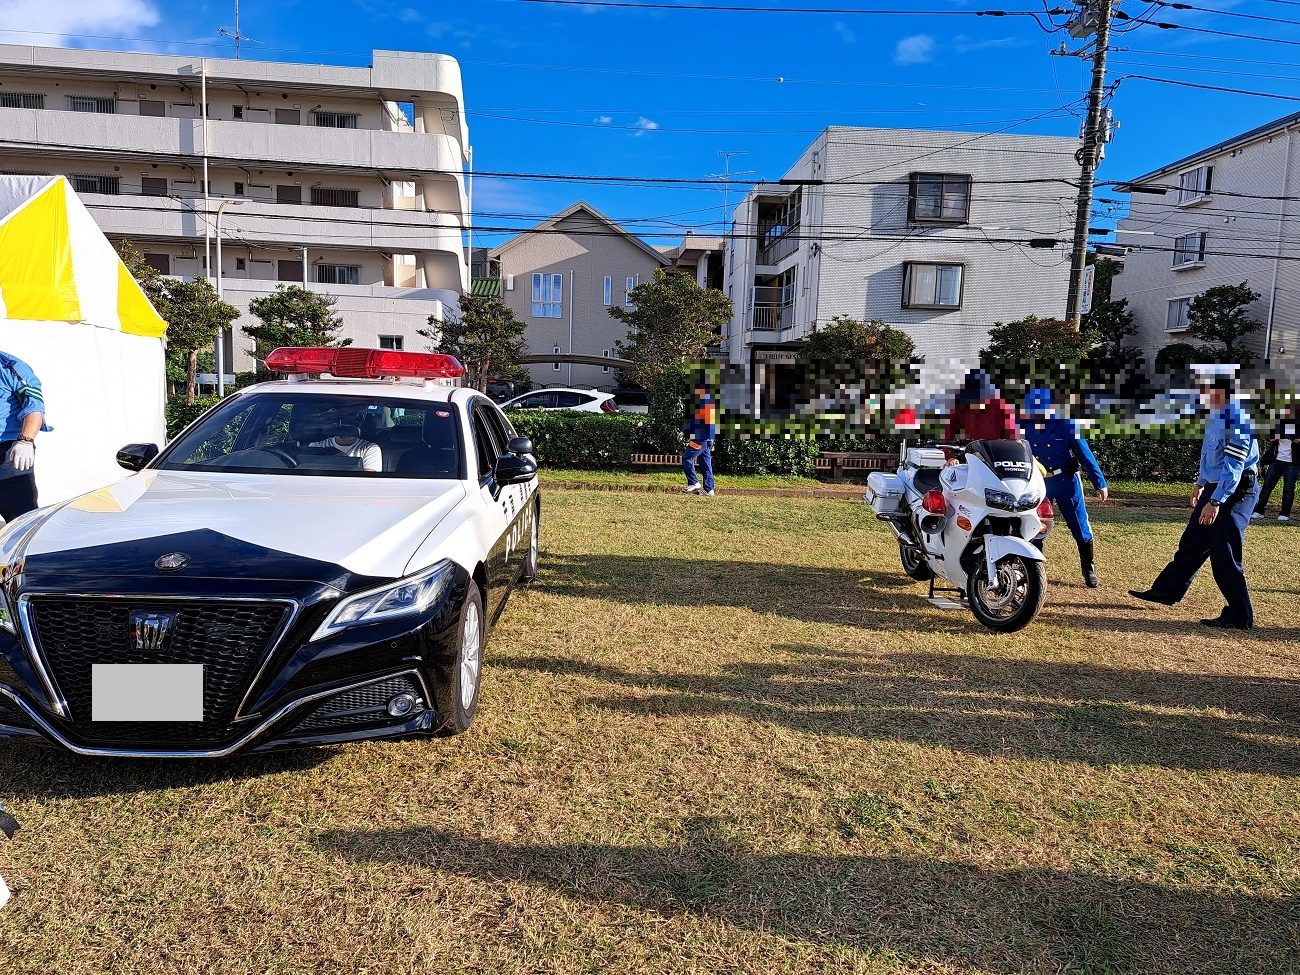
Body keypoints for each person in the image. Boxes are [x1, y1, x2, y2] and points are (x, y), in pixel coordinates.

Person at [1130, 373, 1260, 629]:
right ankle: (1167, 591)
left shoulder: (1238, 419)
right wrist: (1200, 484)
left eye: (1205, 390)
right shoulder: (1216, 415)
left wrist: (1216, 502)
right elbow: (1211, 456)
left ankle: (1239, 614)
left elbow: (1233, 468)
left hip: (1233, 492)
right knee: (1193, 542)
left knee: (1225, 553)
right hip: (1215, 488)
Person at [1021, 388, 1109, 587]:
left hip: (1066, 481)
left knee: (1079, 524)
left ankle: (1088, 568)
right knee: (1035, 526)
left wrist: (1099, 483)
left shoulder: (1067, 424)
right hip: (1038, 483)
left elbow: (1085, 454)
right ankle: (1034, 571)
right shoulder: (1022, 427)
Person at [0, 351, 50, 522]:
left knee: (21, 517)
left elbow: (34, 406)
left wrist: (26, 441)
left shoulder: (11, 367)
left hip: (8, 451)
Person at [942, 369, 1020, 466]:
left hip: (1001, 458)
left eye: (978, 399)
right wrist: (950, 457)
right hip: (973, 457)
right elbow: (947, 438)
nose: (974, 404)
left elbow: (1012, 437)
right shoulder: (958, 408)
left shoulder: (1001, 406)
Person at [1251, 405, 1297, 522]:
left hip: (1293, 463)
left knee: (1288, 489)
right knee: (1267, 487)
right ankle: (1258, 510)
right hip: (1277, 460)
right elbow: (1269, 438)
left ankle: (1285, 513)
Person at [682, 384, 717, 497]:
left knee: (687, 457)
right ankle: (709, 489)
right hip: (705, 438)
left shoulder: (705, 403)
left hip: (701, 437)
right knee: (705, 463)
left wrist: (710, 437)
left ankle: (693, 482)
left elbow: (708, 421)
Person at [310, 425, 382, 472]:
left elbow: (368, 479)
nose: (343, 435)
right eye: (340, 429)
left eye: (348, 430)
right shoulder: (316, 446)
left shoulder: (369, 449)